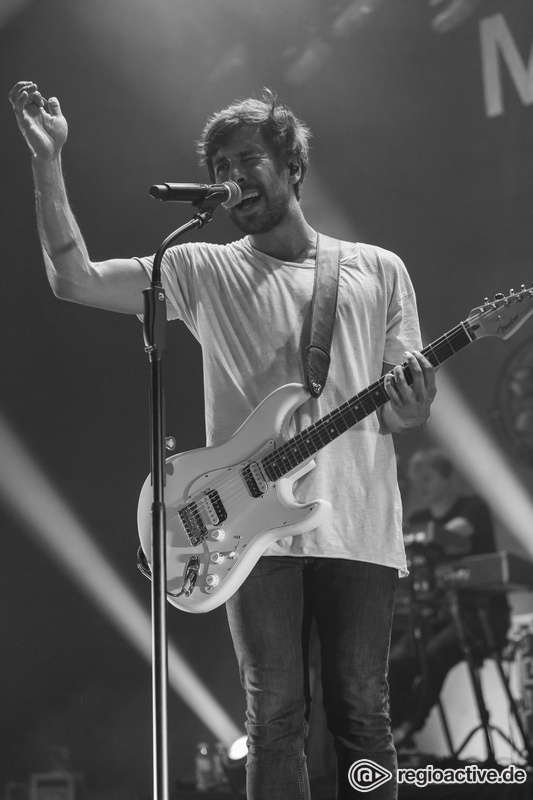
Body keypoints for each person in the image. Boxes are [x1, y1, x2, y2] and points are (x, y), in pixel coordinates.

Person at [9, 81, 436, 799]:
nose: (231, 179)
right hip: (246, 530)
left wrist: (414, 406)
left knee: (364, 717)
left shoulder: (377, 269)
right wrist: (48, 161)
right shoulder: (202, 268)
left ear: (291, 166)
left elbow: (397, 415)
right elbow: (72, 280)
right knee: (273, 720)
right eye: (219, 169)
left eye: (246, 160)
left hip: (360, 526)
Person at [388, 448, 511, 752]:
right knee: (398, 661)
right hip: (438, 615)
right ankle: (391, 738)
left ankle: (408, 727)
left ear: (447, 478)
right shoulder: (419, 517)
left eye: (427, 479)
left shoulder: (472, 506)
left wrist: (423, 536)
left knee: (433, 655)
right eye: (417, 482)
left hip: (482, 614)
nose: (422, 487)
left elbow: (454, 534)